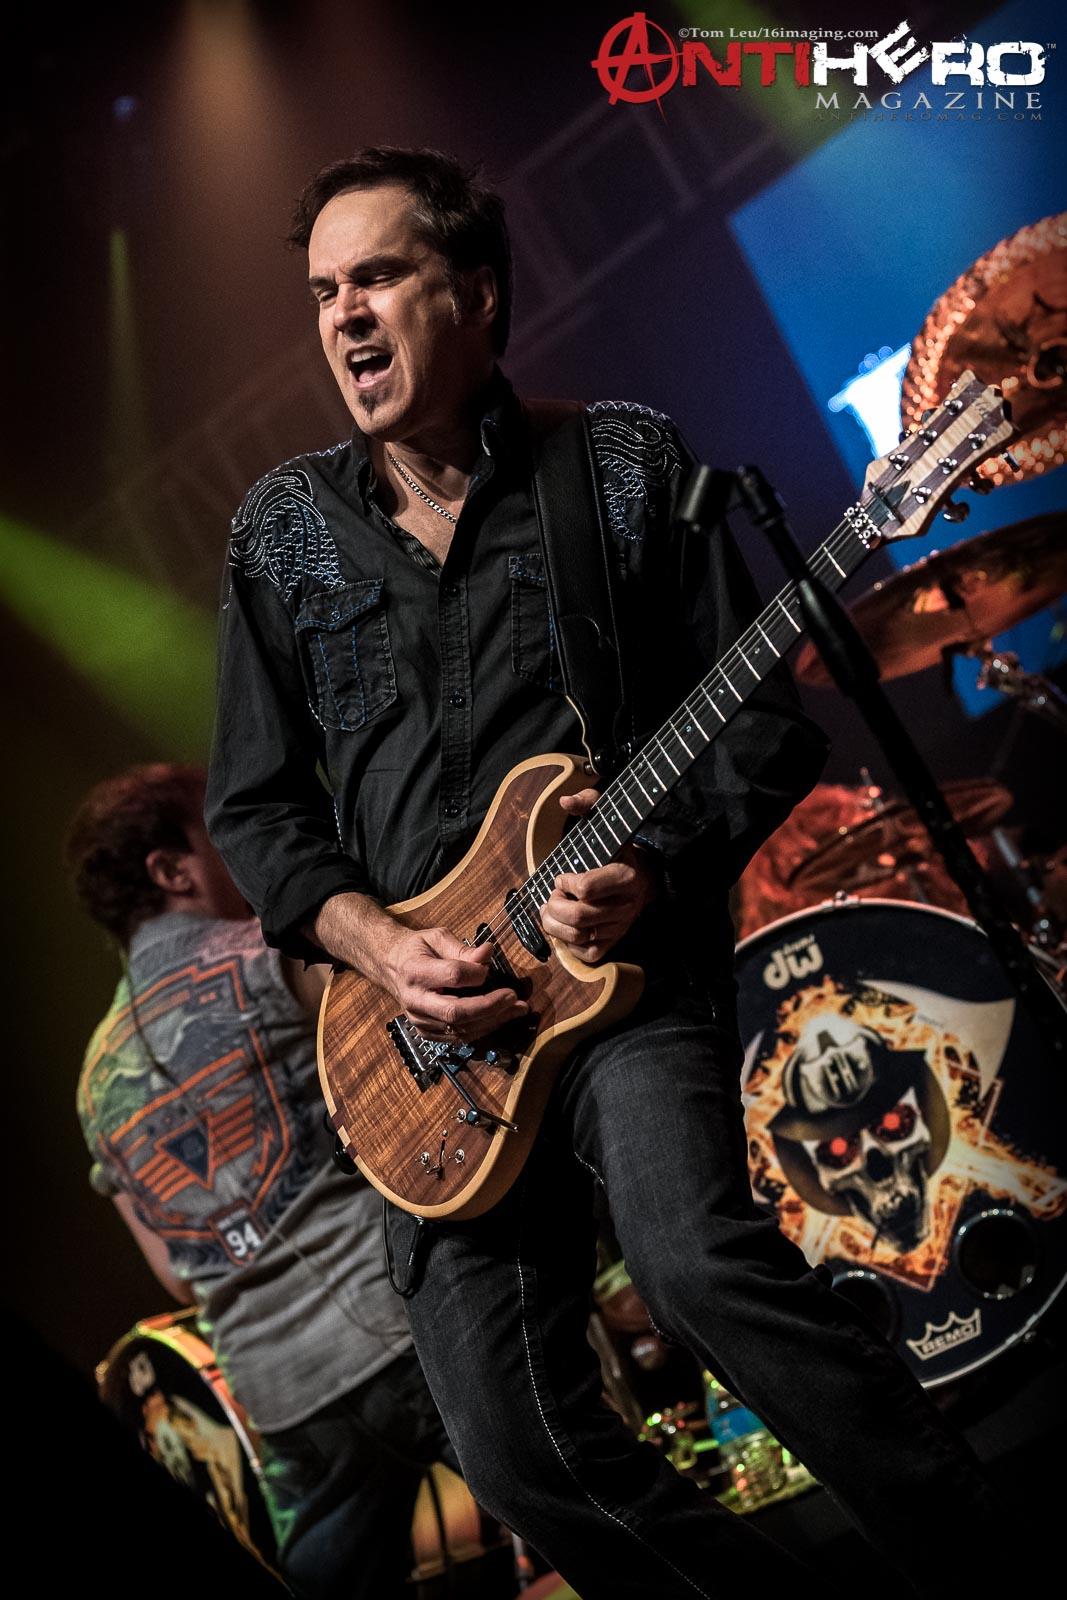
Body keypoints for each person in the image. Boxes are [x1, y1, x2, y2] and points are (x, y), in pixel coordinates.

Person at [204, 145, 1030, 1598]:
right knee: (513, 1446)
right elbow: (256, 811)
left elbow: (761, 722)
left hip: (618, 985)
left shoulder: (617, 464)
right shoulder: (282, 534)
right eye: (324, 292)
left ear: (473, 292)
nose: (343, 317)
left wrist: (649, 861)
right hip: (417, 1041)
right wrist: (380, 948)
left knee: (694, 1267)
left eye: (378, 278)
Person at [67, 762, 460, 1600]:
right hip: (402, 1327)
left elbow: (178, 1273)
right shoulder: (268, 953)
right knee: (584, 1507)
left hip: (281, 1398)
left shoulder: (93, 1085)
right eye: (218, 837)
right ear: (172, 870)